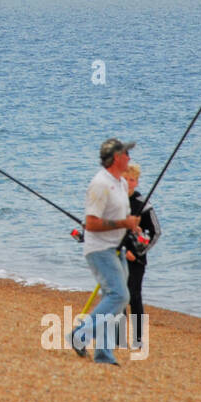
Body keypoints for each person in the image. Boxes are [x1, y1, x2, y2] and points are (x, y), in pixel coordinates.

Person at [68, 137, 140, 365]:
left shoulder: (119, 182)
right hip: (100, 249)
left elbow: (117, 217)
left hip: (117, 249)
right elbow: (90, 223)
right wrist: (123, 224)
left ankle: (104, 354)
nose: (129, 158)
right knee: (120, 295)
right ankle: (79, 335)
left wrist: (131, 225)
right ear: (116, 158)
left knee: (115, 303)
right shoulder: (100, 184)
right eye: (126, 154)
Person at [122, 162, 161, 348]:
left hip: (136, 259)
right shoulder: (114, 201)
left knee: (133, 296)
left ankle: (137, 340)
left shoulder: (143, 205)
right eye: (126, 179)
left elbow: (156, 232)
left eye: (133, 180)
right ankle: (119, 338)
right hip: (116, 256)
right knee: (118, 295)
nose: (130, 183)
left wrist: (138, 251)